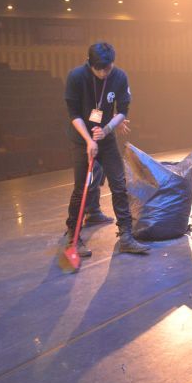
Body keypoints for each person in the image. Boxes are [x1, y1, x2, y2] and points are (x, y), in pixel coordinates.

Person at [63, 42, 150, 258]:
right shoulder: (76, 77)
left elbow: (123, 110)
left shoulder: (119, 76)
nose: (104, 73)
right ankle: (73, 236)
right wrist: (89, 140)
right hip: (82, 140)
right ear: (89, 63)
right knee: (82, 188)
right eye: (99, 69)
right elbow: (74, 114)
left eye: (107, 68)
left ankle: (126, 236)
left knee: (119, 185)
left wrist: (107, 129)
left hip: (106, 138)